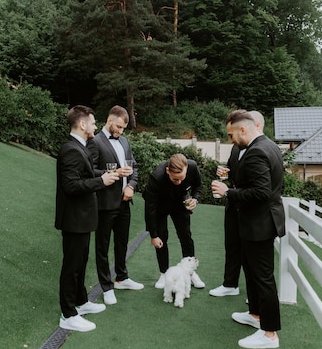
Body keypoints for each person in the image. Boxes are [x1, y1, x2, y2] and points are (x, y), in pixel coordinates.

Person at [211, 109, 285, 349]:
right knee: (253, 273)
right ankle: (255, 315)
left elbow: (262, 192)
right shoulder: (268, 145)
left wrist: (228, 192)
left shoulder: (257, 152)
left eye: (231, 135)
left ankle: (270, 334)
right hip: (256, 223)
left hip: (260, 224)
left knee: (263, 278)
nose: (231, 140)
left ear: (243, 129)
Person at [55, 105, 119, 332]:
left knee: (80, 263)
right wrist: (102, 182)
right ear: (82, 124)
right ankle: (68, 313)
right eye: (92, 123)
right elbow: (71, 186)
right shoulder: (71, 149)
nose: (94, 126)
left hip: (82, 218)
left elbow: (87, 173)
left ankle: (81, 302)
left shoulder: (79, 146)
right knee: (72, 266)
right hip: (74, 219)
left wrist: (106, 174)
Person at [89, 105, 143, 306]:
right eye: (118, 127)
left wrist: (131, 186)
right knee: (102, 246)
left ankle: (122, 277)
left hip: (124, 202)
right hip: (104, 203)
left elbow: (133, 167)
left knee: (122, 242)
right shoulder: (94, 141)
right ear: (110, 120)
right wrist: (111, 174)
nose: (120, 131)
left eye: (123, 129)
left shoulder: (125, 141)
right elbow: (89, 170)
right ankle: (106, 286)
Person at [209, 110, 265, 298]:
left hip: (249, 207)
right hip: (234, 204)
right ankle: (230, 283)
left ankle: (254, 297)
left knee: (250, 254)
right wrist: (226, 172)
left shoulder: (258, 149)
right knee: (231, 245)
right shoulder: (236, 147)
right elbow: (236, 173)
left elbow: (260, 186)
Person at [143, 153, 205, 289]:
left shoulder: (192, 167)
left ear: (187, 169)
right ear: (167, 171)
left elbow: (198, 187)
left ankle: (190, 272)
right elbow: (150, 208)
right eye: (175, 179)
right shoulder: (156, 177)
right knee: (161, 237)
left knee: (185, 236)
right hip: (160, 206)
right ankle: (163, 273)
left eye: (182, 178)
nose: (179, 182)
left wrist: (195, 198)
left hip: (181, 205)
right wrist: (153, 235)